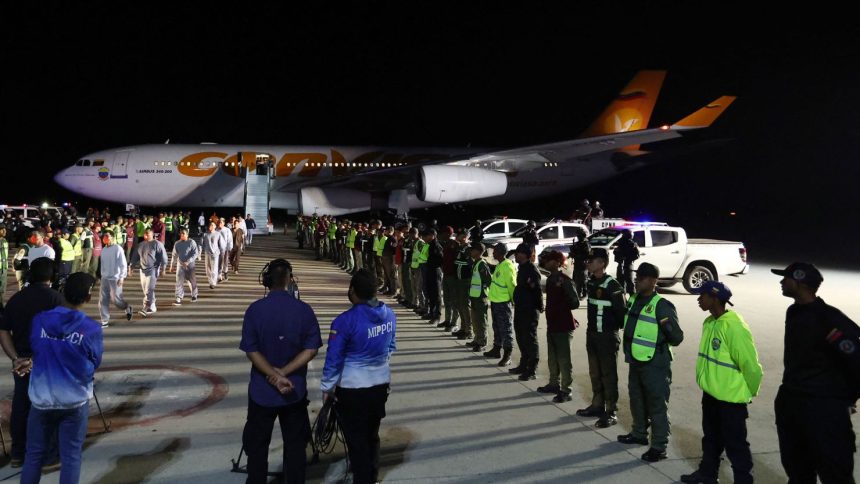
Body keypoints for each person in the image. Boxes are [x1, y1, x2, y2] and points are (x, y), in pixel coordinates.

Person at [771, 262, 860, 483]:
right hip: (792, 405)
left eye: (786, 278)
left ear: (799, 281)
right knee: (798, 471)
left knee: (835, 474)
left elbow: (856, 361)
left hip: (823, 411)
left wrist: (846, 399)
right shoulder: (793, 312)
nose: (782, 282)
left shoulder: (829, 319)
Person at [239, 259, 322, 484]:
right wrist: (284, 373)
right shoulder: (304, 310)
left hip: (261, 391)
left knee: (257, 449)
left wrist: (273, 376)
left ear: (267, 280)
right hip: (293, 391)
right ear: (290, 280)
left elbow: (252, 351)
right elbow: (311, 349)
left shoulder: (255, 310)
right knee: (295, 448)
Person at [20, 272, 104, 484]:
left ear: (62, 292)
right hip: (74, 400)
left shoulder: (40, 320)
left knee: (34, 455)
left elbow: (35, 348)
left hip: (41, 398)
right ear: (87, 298)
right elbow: (95, 361)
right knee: (71, 457)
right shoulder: (91, 328)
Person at [681, 281, 762, 484]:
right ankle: (708, 474)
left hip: (730, 399)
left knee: (736, 445)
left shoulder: (734, 327)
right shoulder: (709, 322)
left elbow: (751, 366)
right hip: (711, 395)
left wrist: (749, 392)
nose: (699, 299)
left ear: (715, 298)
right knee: (710, 439)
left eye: (703, 295)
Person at [321, 269, 396, 484]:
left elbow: (333, 359)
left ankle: (363, 479)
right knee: (372, 434)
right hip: (380, 385)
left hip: (353, 389)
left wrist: (327, 387)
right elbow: (391, 346)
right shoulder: (389, 315)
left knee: (356, 440)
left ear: (352, 291)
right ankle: (371, 475)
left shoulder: (344, 322)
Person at [0, 258, 63, 469]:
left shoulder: (16, 299)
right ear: (51, 276)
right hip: (46, 363)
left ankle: (18, 453)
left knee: (21, 407)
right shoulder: (56, 299)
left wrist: (16, 358)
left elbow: (3, 331)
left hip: (21, 363)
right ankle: (48, 457)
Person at [617, 262, 684, 463]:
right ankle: (639, 433)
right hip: (636, 360)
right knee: (636, 399)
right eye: (637, 277)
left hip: (655, 363)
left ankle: (659, 446)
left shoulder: (662, 305)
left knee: (656, 405)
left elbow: (677, 337)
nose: (637, 281)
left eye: (642, 278)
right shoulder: (635, 299)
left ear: (653, 281)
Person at [577, 248, 626, 428]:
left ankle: (611, 411)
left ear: (602, 264)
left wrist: (612, 330)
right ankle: (597, 405)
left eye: (592, 261)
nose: (588, 263)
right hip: (593, 335)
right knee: (595, 372)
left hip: (607, 336)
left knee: (608, 374)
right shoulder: (592, 283)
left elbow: (622, 314)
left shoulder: (613, 285)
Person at [537, 250, 579, 403]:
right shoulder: (550, 279)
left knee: (564, 360)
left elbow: (575, 302)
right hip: (553, 324)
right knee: (553, 357)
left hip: (563, 325)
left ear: (556, 262)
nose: (546, 263)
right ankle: (554, 383)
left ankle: (566, 390)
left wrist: (561, 307)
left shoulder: (564, 280)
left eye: (548, 260)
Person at [510, 243, 544, 380]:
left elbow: (536, 290)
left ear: (525, 255)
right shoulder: (522, 268)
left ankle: (532, 369)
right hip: (520, 307)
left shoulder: (531, 270)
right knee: (520, 336)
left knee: (530, 338)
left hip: (529, 309)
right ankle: (523, 364)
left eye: (518, 253)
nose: (516, 255)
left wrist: (540, 306)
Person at [485, 242, 517, 366]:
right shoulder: (500, 264)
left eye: (495, 251)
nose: (493, 253)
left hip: (503, 303)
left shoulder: (507, 266)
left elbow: (512, 286)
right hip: (495, 301)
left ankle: (507, 355)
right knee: (497, 327)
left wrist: (514, 301)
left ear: (501, 252)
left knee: (506, 329)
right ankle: (496, 349)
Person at [129, 228, 168, 317]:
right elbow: (135, 257)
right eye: (145, 234)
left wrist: (163, 269)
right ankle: (153, 306)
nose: (146, 235)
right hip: (142, 270)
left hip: (153, 269)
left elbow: (164, 257)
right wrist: (131, 268)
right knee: (145, 289)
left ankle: (146, 307)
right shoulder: (140, 245)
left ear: (152, 234)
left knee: (149, 289)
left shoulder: (157, 244)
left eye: (149, 234)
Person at [98, 230, 133, 327]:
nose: (105, 238)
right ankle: (104, 320)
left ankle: (127, 307)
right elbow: (103, 265)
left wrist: (122, 277)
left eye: (107, 236)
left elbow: (123, 264)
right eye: (104, 236)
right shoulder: (104, 250)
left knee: (116, 300)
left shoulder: (118, 248)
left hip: (115, 278)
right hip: (105, 278)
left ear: (112, 238)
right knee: (103, 300)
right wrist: (101, 275)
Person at [466, 242, 492, 352]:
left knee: (481, 321)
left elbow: (488, 280)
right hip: (474, 296)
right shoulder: (475, 263)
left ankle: (482, 342)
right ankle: (477, 339)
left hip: (481, 297)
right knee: (475, 320)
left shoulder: (482, 264)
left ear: (479, 252)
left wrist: (483, 290)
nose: (471, 252)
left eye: (473, 250)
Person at [168, 228, 200, 305]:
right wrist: (172, 265)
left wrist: (188, 261)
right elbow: (174, 255)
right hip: (180, 264)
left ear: (187, 234)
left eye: (184, 234)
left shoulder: (191, 242)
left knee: (192, 281)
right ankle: (178, 297)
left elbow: (195, 253)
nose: (182, 236)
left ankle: (194, 295)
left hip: (190, 265)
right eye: (181, 234)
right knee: (179, 281)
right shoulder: (177, 243)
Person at [613, 229, 639, 295]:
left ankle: (632, 301)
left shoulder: (631, 244)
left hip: (628, 265)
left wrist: (627, 258)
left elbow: (636, 255)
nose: (622, 236)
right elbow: (616, 252)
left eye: (623, 235)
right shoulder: (621, 243)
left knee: (630, 284)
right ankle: (623, 301)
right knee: (620, 284)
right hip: (621, 264)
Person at [201, 222, 225, 289]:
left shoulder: (218, 234)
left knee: (214, 269)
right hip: (207, 254)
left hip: (215, 254)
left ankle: (214, 283)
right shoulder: (205, 234)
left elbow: (222, 245)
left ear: (215, 226)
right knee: (208, 269)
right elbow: (200, 244)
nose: (210, 226)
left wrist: (221, 252)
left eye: (212, 225)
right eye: (210, 225)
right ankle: (210, 282)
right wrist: (199, 253)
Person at [570, 229, 591, 299]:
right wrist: (572, 252)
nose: (578, 237)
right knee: (577, 279)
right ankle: (578, 293)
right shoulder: (577, 243)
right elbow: (573, 254)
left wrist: (577, 254)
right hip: (577, 263)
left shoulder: (586, 244)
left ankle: (584, 293)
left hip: (583, 264)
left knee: (583, 279)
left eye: (579, 235)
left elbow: (587, 254)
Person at [0, 223, 8, 309]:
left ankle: (1, 307)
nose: (5, 231)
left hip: (4, 269)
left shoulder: (5, 241)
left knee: (2, 290)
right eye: (2, 229)